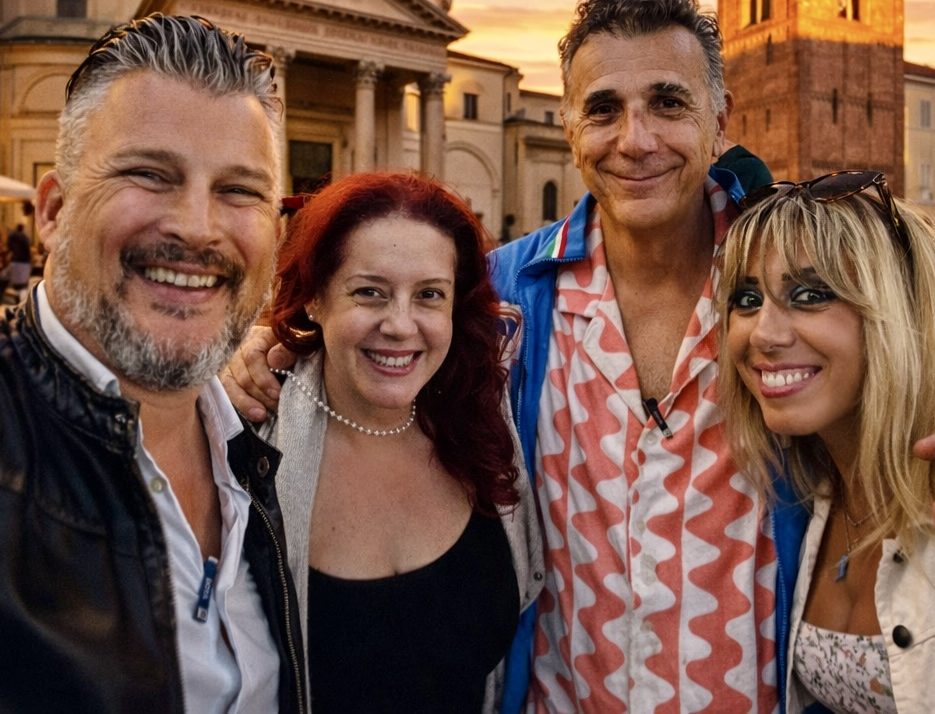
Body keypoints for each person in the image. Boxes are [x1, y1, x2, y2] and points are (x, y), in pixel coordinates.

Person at [224, 0, 797, 710]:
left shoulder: (799, 287)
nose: (635, 139)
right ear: (569, 126)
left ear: (720, 117)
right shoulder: (499, 298)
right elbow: (379, 340)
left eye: (668, 103)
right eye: (603, 109)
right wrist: (263, 349)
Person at [0, 14, 307, 713]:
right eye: (148, 174)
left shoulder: (258, 434)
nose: (197, 227)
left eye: (239, 191)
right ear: (53, 210)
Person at [235, 170, 543, 712]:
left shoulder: (483, 419)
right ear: (315, 298)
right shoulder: (248, 441)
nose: (400, 325)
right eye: (369, 292)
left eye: (429, 295)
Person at [718, 170, 935, 713]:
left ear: (898, 310)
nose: (764, 334)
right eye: (747, 299)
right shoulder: (803, 495)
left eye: (811, 295)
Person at [6, 222, 31, 300]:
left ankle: (15, 300)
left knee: (15, 284)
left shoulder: (12, 236)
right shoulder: (25, 237)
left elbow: (9, 246)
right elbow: (27, 249)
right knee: (23, 285)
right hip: (24, 262)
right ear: (22, 228)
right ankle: (21, 301)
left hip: (15, 260)